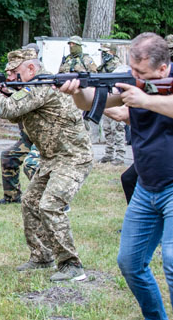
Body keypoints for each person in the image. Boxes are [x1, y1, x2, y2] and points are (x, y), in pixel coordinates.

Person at [61, 33, 173, 318]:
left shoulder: (153, 88)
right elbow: (89, 103)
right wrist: (76, 90)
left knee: (171, 262)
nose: (134, 76)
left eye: (141, 72)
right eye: (132, 70)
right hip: (146, 187)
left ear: (163, 70)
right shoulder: (130, 80)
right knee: (130, 262)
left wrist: (144, 100)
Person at [0, 48, 93, 282]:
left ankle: (72, 266)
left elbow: (8, 109)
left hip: (72, 157)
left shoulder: (43, 85)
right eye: (8, 73)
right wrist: (1, 91)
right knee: (31, 202)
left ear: (31, 68)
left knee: (50, 205)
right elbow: (14, 114)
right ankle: (42, 256)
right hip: (51, 158)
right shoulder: (31, 87)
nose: (10, 77)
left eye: (14, 72)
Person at [0, 42, 41, 205]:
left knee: (32, 164)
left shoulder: (40, 82)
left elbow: (20, 104)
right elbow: (14, 111)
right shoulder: (22, 80)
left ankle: (54, 198)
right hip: (28, 137)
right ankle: (12, 196)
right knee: (8, 157)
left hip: (43, 138)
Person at [97, 44, 126, 165]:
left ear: (112, 52)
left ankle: (120, 155)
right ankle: (109, 154)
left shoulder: (118, 66)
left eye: (106, 52)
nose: (103, 54)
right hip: (106, 98)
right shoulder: (103, 66)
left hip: (115, 99)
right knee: (107, 128)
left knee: (118, 128)